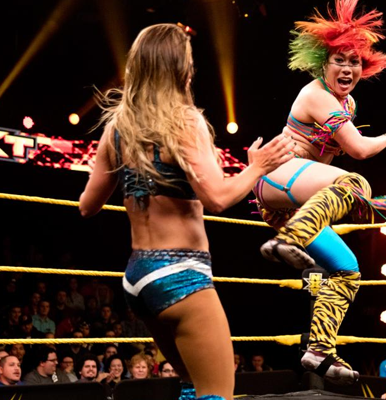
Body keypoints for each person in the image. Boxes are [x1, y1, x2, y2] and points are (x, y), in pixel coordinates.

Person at [79, 23, 294, 400]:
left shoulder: (116, 129)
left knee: (193, 387)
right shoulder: (185, 122)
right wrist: (258, 167)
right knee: (217, 394)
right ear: (181, 69)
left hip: (137, 278)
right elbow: (217, 198)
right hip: (180, 273)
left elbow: (87, 206)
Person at [252, 0, 386, 384]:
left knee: (347, 270)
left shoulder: (347, 103)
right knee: (356, 183)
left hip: (299, 201)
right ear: (322, 64)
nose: (348, 68)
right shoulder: (316, 95)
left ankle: (319, 349)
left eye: (354, 62)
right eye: (340, 60)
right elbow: (358, 150)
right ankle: (289, 240)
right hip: (279, 177)